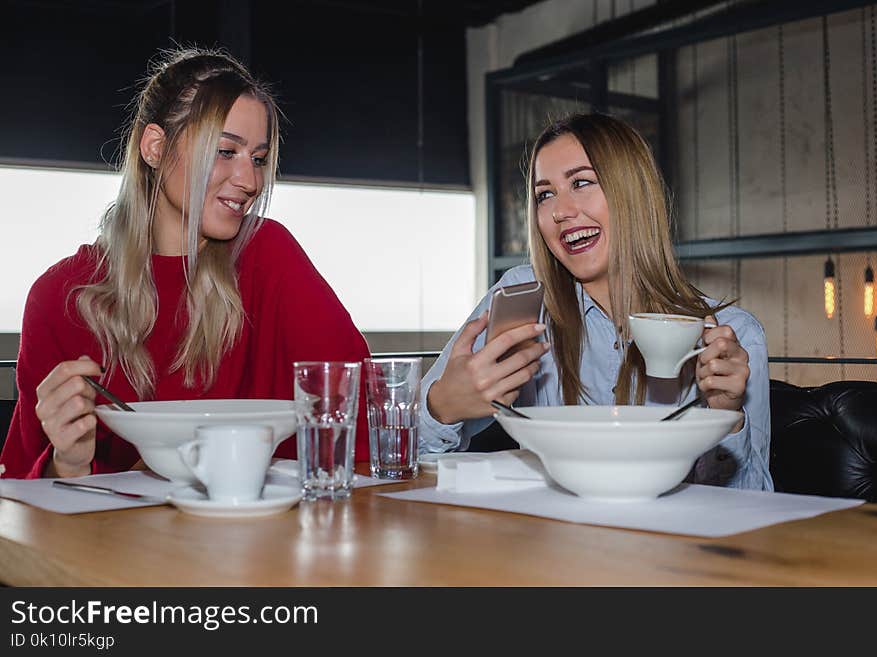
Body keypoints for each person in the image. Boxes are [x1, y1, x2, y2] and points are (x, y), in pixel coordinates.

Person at [0, 47, 370, 479]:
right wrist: (69, 462)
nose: (249, 181)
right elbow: (21, 492)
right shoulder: (58, 298)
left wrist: (437, 402)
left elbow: (358, 415)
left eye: (258, 159)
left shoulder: (269, 255)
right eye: (225, 151)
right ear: (155, 147)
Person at [420, 113, 772, 491]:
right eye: (545, 194)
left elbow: (752, 506)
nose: (560, 211)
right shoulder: (523, 300)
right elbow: (402, 454)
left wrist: (727, 417)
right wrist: (442, 406)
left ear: (632, 194)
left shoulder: (732, 335)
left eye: (581, 182)